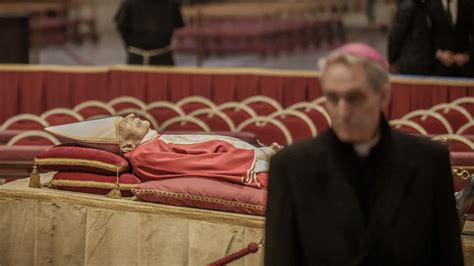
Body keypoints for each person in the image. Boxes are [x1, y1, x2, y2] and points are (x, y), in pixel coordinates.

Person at [264, 43, 464, 265]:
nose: (342, 112)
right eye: (332, 98)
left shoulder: (429, 161)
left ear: (384, 95)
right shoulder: (291, 167)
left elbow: (448, 257)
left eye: (354, 98)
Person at [45, 114, 280, 189]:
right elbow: (203, 166)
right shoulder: (145, 155)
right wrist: (261, 159)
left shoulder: (153, 143)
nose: (130, 116)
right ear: (126, 146)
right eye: (122, 124)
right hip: (254, 168)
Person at [114, 0, 185, 66]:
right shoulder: (130, 3)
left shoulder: (170, 3)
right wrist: (130, 46)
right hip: (137, 58)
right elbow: (122, 26)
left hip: (163, 59)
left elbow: (177, 24)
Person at [426, 0, 474, 77]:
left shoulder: (468, 4)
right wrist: (439, 54)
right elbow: (426, 37)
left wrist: (467, 56)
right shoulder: (431, 5)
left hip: (465, 70)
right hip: (439, 69)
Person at [388, 0, 433, 75]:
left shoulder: (407, 6)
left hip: (409, 62)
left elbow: (396, 36)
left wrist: (391, 59)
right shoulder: (423, 5)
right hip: (423, 60)